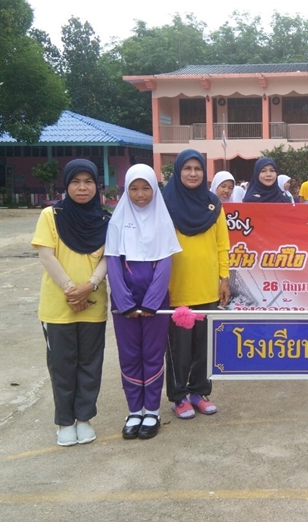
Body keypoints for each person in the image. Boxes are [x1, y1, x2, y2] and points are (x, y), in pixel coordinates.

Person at [31, 159, 110, 446]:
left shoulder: (105, 220)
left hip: (93, 304)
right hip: (58, 306)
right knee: (62, 365)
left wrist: (89, 287)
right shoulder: (50, 215)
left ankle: (84, 419)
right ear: (66, 185)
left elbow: (108, 257)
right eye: (75, 182)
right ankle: (65, 422)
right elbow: (46, 255)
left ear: (97, 186)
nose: (82, 187)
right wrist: (70, 290)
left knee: (90, 364)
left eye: (88, 182)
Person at [105, 164, 181, 440]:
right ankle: (134, 410)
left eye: (146, 188)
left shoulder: (163, 221)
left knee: (152, 354)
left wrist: (152, 302)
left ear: (154, 189)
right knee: (129, 356)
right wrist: (124, 301)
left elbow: (164, 263)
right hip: (124, 304)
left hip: (155, 305)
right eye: (134, 188)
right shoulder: (117, 221)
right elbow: (113, 262)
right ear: (126, 190)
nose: (140, 194)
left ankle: (152, 411)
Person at [162, 150, 231, 419]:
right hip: (176, 289)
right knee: (179, 349)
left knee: (204, 347)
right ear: (178, 171)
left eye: (198, 168)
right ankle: (179, 396)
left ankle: (199, 393)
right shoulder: (164, 203)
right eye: (187, 168)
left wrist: (224, 279)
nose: (193, 173)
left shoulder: (213, 204)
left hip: (207, 288)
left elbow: (222, 245)